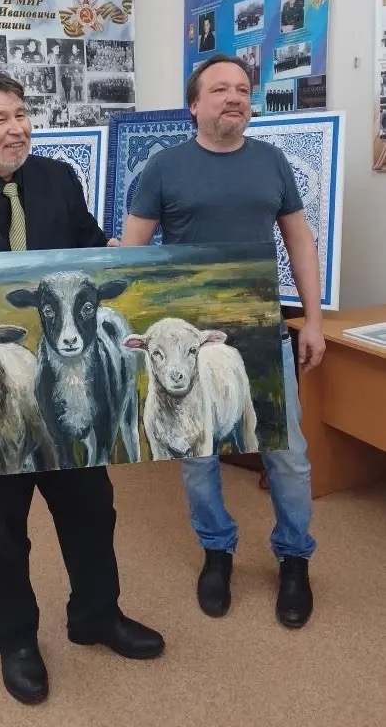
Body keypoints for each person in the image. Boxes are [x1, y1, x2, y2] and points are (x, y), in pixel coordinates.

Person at [0, 71, 164, 706]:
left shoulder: (57, 180)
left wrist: (130, 258)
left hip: (64, 389)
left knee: (91, 510)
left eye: (21, 115)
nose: (17, 129)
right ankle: (15, 639)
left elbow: (91, 251)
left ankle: (96, 614)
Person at [120, 53, 325, 631]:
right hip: (191, 342)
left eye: (242, 89)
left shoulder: (272, 161)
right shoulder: (163, 168)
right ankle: (217, 551)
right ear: (194, 105)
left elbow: (300, 242)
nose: (234, 97)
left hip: (260, 330)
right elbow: (133, 253)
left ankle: (295, 558)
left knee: (287, 455)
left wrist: (311, 320)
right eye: (219, 89)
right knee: (198, 454)